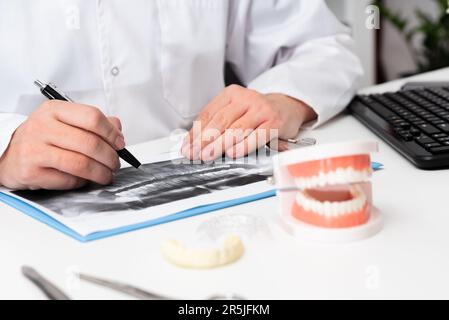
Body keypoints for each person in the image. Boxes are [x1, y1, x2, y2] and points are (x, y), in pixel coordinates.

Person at [0, 0, 363, 190]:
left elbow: (322, 46)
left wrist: (284, 100)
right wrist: (7, 147)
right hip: (27, 222)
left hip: (207, 201)